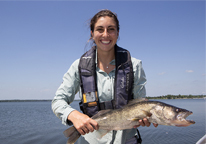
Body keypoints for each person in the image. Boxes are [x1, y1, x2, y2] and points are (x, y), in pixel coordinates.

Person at [52, 9, 158, 144]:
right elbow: (58, 101)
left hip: (127, 139)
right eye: (100, 29)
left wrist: (145, 117)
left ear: (118, 33)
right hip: (90, 139)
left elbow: (139, 103)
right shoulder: (78, 66)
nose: (106, 35)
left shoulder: (134, 65)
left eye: (111, 29)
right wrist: (73, 115)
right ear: (92, 33)